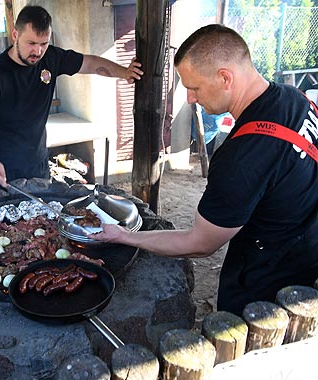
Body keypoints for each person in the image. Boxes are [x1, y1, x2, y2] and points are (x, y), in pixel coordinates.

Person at [89, 24, 318, 316]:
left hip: (268, 285)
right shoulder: (294, 98)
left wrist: (124, 236)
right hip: (307, 255)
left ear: (225, 78)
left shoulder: (241, 159)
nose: (190, 99)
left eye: (193, 88)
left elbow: (199, 243)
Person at [0, 5, 143, 192]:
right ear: (15, 35)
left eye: (43, 44)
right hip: (1, 174)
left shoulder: (51, 58)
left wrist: (125, 72)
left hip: (39, 168)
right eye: (31, 43)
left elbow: (90, 63)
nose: (37, 51)